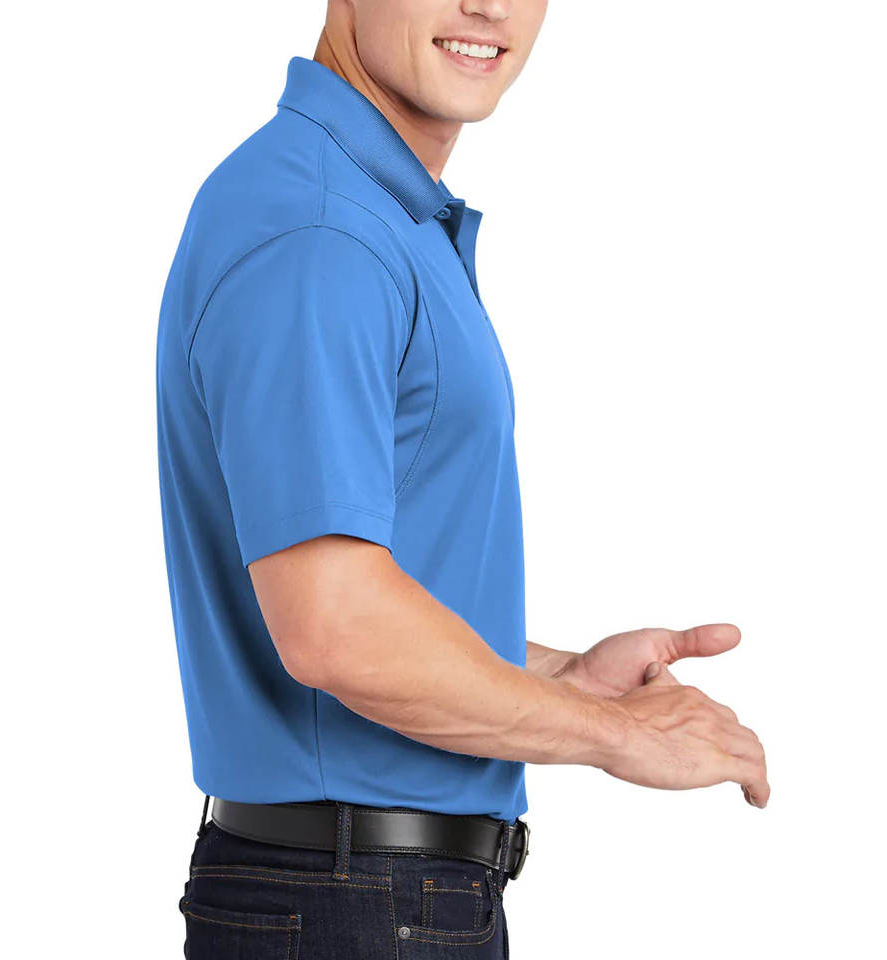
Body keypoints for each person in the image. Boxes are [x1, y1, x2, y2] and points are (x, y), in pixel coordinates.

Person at [156, 2, 769, 956]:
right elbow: (335, 629)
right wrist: (620, 736)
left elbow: (355, 589)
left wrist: (560, 675)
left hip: (364, 893)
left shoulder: (359, 208)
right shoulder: (324, 232)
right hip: (356, 901)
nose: (489, 5)